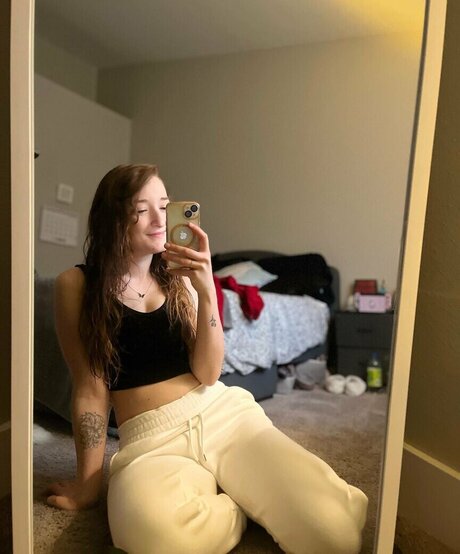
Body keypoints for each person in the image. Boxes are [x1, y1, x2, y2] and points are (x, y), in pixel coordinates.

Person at [47, 164, 368, 554]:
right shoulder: (76, 285)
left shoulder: (181, 278)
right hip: (149, 443)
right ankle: (238, 503)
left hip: (223, 415)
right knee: (153, 540)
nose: (159, 220)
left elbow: (209, 372)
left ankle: (242, 488)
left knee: (335, 534)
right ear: (111, 217)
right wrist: (88, 486)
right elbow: (90, 390)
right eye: (141, 210)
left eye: (165, 206)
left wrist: (207, 290)